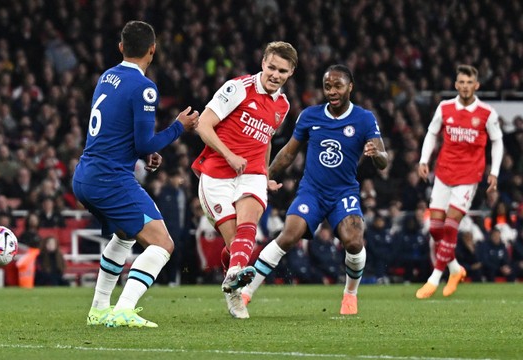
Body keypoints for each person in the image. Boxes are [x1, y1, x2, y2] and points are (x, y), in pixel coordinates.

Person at [72, 20, 199, 328]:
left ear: (121, 48)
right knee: (163, 243)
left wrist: (143, 153)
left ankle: (100, 309)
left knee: (126, 235)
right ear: (152, 51)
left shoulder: (107, 76)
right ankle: (123, 309)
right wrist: (179, 126)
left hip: (85, 175)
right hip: (110, 179)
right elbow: (145, 140)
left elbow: (120, 133)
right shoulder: (144, 87)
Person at [241, 64, 388, 315]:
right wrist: (264, 177)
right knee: (289, 234)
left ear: (350, 87)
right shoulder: (310, 115)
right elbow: (288, 153)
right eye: (327, 86)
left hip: (344, 193)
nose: (332, 91)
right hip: (312, 191)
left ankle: (350, 294)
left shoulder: (364, 118)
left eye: (338, 86)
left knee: (353, 242)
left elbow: (384, 161)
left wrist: (376, 155)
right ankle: (245, 293)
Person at [191, 41, 298, 319]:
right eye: (271, 67)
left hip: (251, 174)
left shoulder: (283, 105)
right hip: (216, 174)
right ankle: (234, 283)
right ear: (263, 63)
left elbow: (266, 140)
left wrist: (267, 175)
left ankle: (235, 280)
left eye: (282, 71)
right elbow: (204, 123)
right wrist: (228, 155)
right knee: (235, 245)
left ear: (291, 72)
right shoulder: (237, 88)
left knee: (247, 228)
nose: (275, 74)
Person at [415, 65, 504, 298]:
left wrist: (493, 171)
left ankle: (434, 278)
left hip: (468, 177)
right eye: (461, 82)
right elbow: (432, 133)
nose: (465, 86)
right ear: (456, 85)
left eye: (469, 82)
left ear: (477, 85)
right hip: (444, 173)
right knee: (435, 228)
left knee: (451, 224)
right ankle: (455, 269)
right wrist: (424, 159)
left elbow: (497, 142)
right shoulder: (444, 108)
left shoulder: (486, 113)